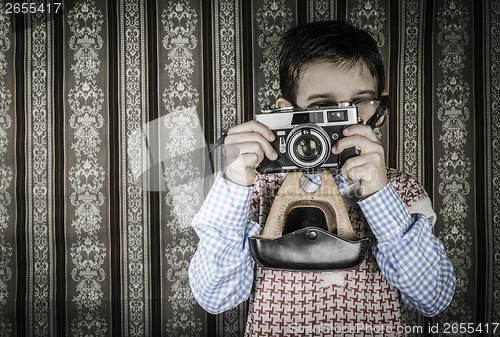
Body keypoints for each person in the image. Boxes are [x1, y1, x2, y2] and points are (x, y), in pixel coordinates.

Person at [189, 20, 455, 336]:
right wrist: (235, 184)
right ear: (287, 113)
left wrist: (380, 195)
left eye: (360, 102)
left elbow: (434, 298)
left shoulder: (401, 190)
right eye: (323, 106)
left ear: (379, 106)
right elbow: (215, 298)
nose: (347, 120)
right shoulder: (253, 191)